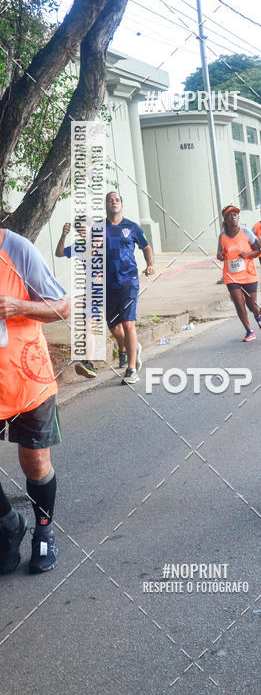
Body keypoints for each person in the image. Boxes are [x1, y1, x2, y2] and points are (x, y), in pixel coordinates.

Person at [0, 227, 70, 574]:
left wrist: (18, 306)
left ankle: (44, 531)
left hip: (28, 380)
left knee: (36, 463)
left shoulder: (17, 249)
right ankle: (8, 523)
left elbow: (64, 306)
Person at [105, 191, 154, 385]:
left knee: (128, 324)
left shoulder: (132, 227)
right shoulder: (99, 228)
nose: (114, 202)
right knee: (114, 327)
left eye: (117, 200)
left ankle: (131, 368)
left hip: (129, 282)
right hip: (108, 284)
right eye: (110, 200)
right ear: (106, 206)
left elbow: (146, 247)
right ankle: (132, 348)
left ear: (122, 205)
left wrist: (150, 264)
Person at [217, 205, 261, 342]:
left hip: (248, 274)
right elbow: (220, 253)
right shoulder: (222, 236)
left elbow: (259, 249)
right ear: (225, 219)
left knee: (252, 305)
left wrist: (248, 254)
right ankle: (249, 331)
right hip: (231, 276)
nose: (234, 217)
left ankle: (257, 315)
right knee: (239, 303)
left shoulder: (245, 232)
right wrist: (220, 256)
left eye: (235, 214)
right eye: (230, 215)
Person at [55, 222, 96, 379]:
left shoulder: (104, 241)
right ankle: (89, 364)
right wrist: (63, 235)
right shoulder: (80, 245)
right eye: (79, 231)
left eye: (84, 229)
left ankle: (127, 350)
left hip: (112, 288)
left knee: (118, 326)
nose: (81, 233)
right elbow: (59, 253)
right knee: (88, 326)